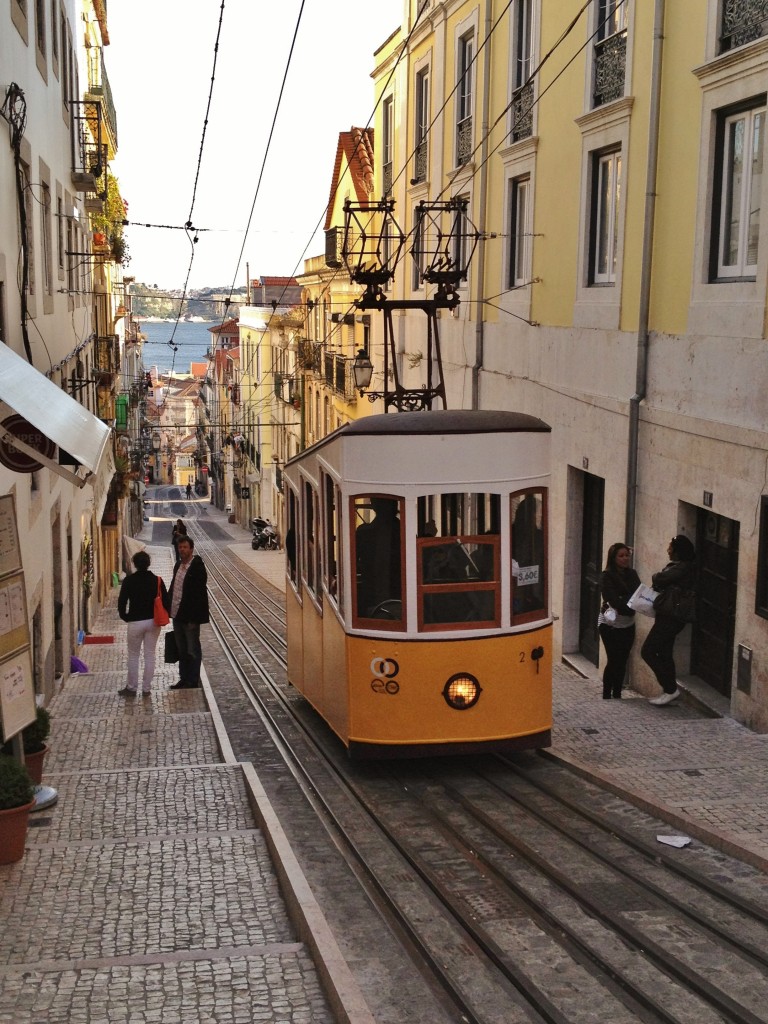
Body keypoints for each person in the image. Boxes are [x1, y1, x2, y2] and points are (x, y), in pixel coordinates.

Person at [641, 534, 697, 706]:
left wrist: (659, 577)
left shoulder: (682, 567)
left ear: (677, 551)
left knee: (648, 651)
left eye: (670, 547)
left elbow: (659, 578)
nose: (667, 550)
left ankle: (670, 689)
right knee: (665, 653)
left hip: (671, 617)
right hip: (668, 615)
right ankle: (668, 691)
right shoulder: (681, 566)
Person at [117, 551, 168, 697]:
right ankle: (146, 688)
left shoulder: (129, 580)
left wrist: (124, 616)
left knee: (133, 655)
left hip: (135, 621)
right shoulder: (157, 580)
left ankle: (132, 687)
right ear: (148, 563)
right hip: (153, 621)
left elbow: (122, 601)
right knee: (150, 655)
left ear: (134, 564)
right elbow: (166, 600)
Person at [598, 543, 641, 699]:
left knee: (623, 658)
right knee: (613, 658)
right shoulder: (606, 576)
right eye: (621, 556)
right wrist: (628, 603)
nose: (625, 559)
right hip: (610, 624)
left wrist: (627, 602)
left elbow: (638, 595)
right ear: (613, 558)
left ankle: (617, 692)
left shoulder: (633, 574)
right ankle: (606, 693)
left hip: (628, 623)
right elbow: (613, 600)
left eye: (626, 555)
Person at [168, 536, 209, 689]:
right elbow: (174, 588)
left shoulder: (197, 567)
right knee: (181, 649)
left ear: (191, 549)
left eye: (185, 547)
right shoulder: (178, 565)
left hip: (190, 617)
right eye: (180, 547)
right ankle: (183, 678)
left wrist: (195, 617)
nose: (182, 550)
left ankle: (193, 680)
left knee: (192, 649)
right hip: (177, 614)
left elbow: (199, 594)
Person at [355, 496, 402, 617]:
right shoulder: (403, 530)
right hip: (398, 596)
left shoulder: (363, 532)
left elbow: (352, 563)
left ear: (374, 505)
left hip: (373, 597)